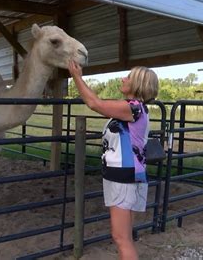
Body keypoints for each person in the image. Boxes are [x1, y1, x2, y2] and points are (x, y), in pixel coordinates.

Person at [68, 60, 159, 260]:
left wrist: (76, 77)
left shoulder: (133, 108)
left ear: (136, 84)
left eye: (128, 77)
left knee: (121, 238)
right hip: (128, 175)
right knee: (124, 237)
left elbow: (94, 103)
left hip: (123, 176)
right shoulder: (136, 109)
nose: (123, 78)